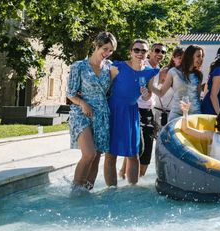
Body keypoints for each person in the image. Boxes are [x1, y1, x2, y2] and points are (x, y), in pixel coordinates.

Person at [104, 40, 163, 186]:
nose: (139, 53)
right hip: (114, 111)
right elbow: (105, 87)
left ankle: (132, 189)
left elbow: (148, 95)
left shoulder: (150, 72)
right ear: (130, 52)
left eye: (143, 51)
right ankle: (111, 191)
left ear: (147, 53)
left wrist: (146, 94)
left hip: (131, 113)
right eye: (136, 50)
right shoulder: (118, 67)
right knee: (111, 154)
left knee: (133, 154)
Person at [66, 31, 116, 193]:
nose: (107, 53)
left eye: (110, 51)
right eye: (105, 49)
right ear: (96, 46)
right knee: (89, 154)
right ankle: (74, 191)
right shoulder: (78, 66)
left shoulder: (110, 67)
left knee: (96, 158)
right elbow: (70, 93)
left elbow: (108, 90)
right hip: (82, 112)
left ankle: (87, 192)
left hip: (102, 114)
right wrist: (83, 103)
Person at [119, 42, 167, 179]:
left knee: (146, 150)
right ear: (150, 52)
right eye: (157, 50)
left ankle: (135, 179)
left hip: (149, 110)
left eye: (163, 52)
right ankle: (124, 176)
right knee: (137, 147)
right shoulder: (140, 64)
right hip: (136, 109)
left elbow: (153, 92)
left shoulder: (157, 69)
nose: (160, 54)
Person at [167, 44, 204, 118]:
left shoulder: (198, 74)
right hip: (177, 113)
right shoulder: (174, 71)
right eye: (198, 56)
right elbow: (161, 92)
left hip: (194, 114)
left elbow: (197, 96)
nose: (201, 59)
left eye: (202, 56)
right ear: (190, 56)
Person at [152, 46, 184, 129]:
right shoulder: (165, 71)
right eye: (179, 58)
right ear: (173, 58)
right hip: (159, 109)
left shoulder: (184, 74)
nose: (182, 60)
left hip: (174, 112)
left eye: (184, 58)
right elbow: (156, 87)